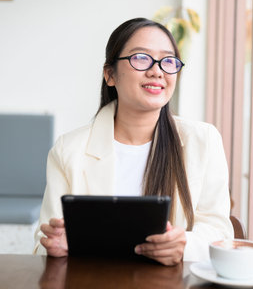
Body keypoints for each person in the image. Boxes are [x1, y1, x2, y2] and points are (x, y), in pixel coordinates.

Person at [34, 17, 233, 265]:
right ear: (110, 75)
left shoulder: (204, 141)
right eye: (141, 58)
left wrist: (184, 245)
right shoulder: (68, 150)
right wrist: (56, 246)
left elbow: (220, 233)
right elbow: (43, 243)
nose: (157, 71)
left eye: (168, 61)